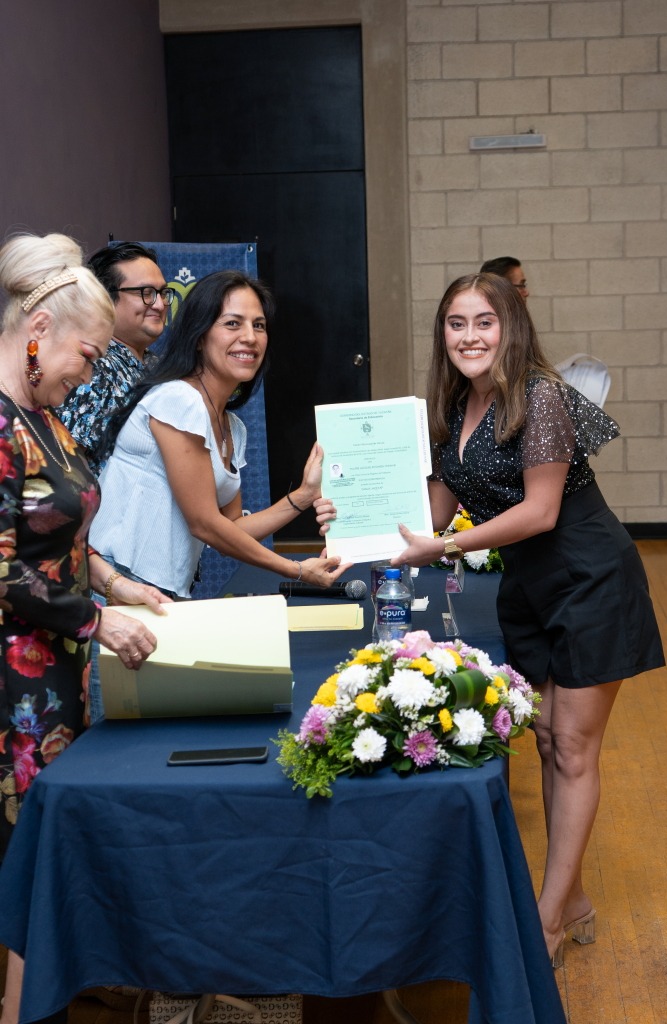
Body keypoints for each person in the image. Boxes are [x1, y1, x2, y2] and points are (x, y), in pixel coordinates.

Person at [321, 272, 665, 967]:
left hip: (589, 577)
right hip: (529, 585)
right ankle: (571, 898)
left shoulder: (541, 398)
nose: (469, 336)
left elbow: (537, 512)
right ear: (442, 334)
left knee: (571, 748)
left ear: (510, 327)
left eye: (484, 321)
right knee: (542, 739)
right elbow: (430, 516)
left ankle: (545, 924)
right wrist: (344, 522)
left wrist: (441, 545)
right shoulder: (455, 403)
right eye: (455, 323)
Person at [0, 233, 171, 1024]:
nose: (92, 372)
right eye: (88, 354)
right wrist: (100, 620)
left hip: (55, 670)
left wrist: (117, 581)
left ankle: (51, 991)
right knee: (22, 859)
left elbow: (62, 533)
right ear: (39, 334)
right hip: (12, 685)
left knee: (41, 851)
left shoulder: (43, 419)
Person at [89, 268, 347, 609]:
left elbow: (232, 528)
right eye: (232, 323)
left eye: (258, 325)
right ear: (199, 335)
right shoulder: (178, 400)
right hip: (114, 587)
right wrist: (297, 569)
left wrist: (305, 494)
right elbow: (205, 525)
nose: (250, 337)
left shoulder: (233, 427)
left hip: (164, 596)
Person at [57, 241, 172, 476]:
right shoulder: (93, 368)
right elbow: (67, 468)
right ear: (105, 299)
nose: (160, 305)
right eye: (146, 293)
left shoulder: (158, 366)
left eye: (162, 293)